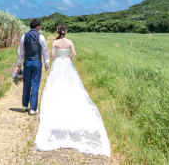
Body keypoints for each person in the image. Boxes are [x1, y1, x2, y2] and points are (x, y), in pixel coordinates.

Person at [34, 24, 111, 156]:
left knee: (56, 83)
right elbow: (74, 55)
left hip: (58, 63)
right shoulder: (70, 42)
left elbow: (52, 55)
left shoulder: (55, 43)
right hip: (67, 64)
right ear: (66, 31)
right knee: (70, 83)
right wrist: (68, 60)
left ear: (58, 31)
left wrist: (57, 59)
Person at [17, 18, 50, 114]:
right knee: (35, 83)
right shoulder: (41, 37)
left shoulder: (24, 36)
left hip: (27, 62)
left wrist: (19, 64)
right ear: (38, 26)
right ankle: (33, 108)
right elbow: (45, 50)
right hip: (36, 62)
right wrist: (46, 63)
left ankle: (25, 105)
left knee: (26, 83)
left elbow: (20, 51)